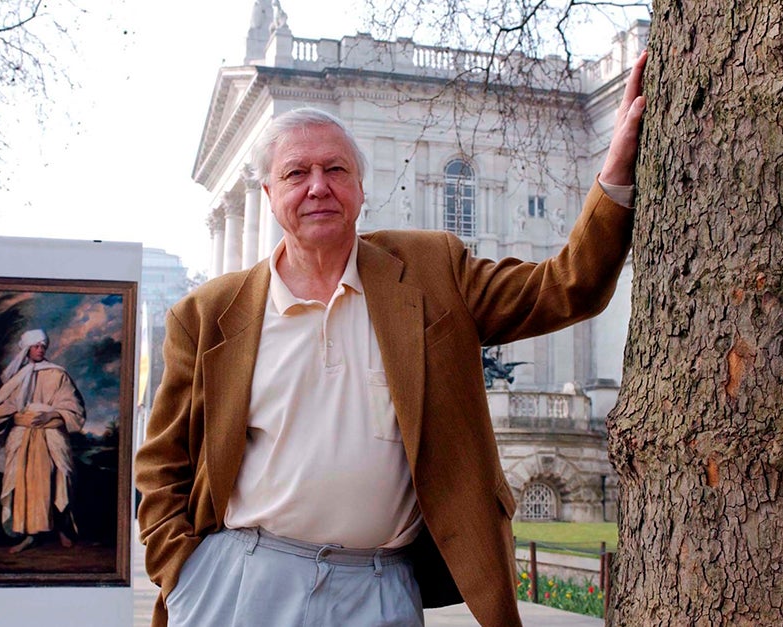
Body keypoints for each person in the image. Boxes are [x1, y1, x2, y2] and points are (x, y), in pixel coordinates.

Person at [136, 53, 648, 627]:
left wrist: (616, 173)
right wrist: (181, 569)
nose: (317, 188)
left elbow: (566, 287)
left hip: (378, 585)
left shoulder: (431, 271)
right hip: (244, 579)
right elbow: (162, 463)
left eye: (335, 170)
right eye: (296, 173)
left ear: (360, 185)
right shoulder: (206, 314)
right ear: (268, 191)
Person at [0, 328, 84, 553]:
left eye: (42, 346)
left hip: (50, 435)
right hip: (22, 438)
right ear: (27, 349)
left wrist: (52, 415)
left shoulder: (58, 374)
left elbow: (73, 407)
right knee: (23, 485)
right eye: (36, 346)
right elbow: (3, 409)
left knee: (59, 480)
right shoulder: (18, 378)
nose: (40, 350)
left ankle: (61, 529)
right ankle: (29, 535)